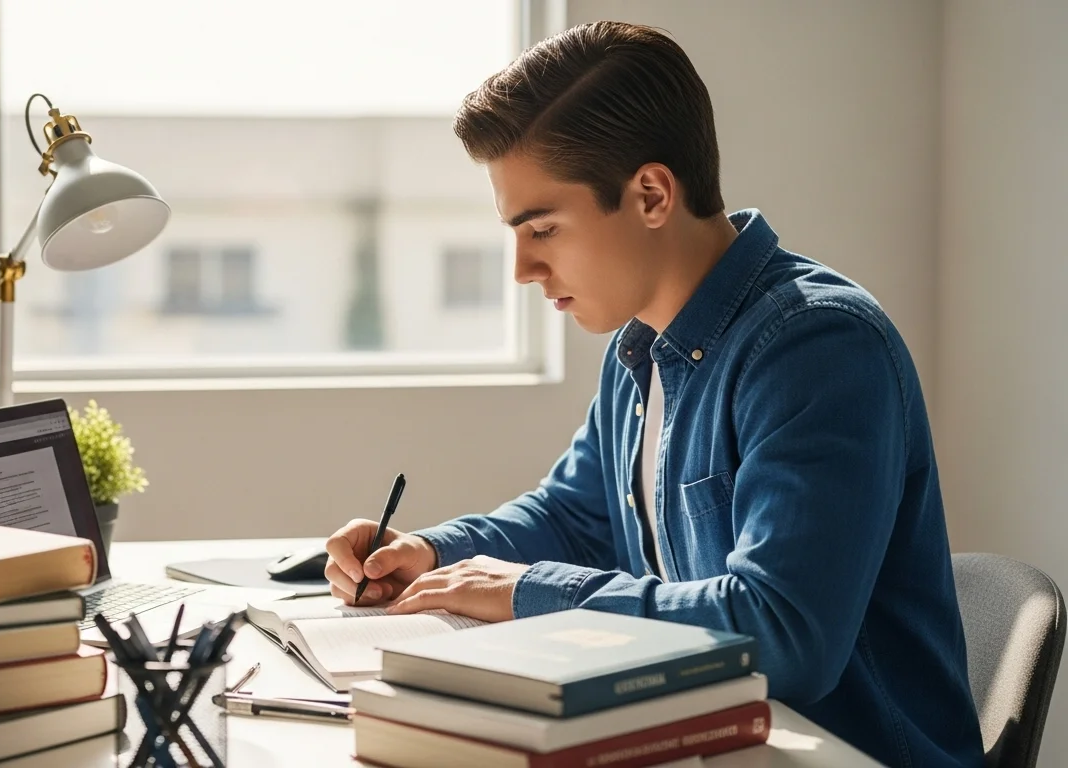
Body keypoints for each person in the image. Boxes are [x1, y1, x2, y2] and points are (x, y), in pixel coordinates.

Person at [323, 20, 982, 768]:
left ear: (650, 194)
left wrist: (526, 591)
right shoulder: (640, 346)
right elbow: (575, 517)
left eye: (542, 229)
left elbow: (782, 635)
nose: (522, 270)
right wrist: (435, 553)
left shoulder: (817, 346)